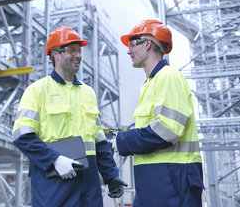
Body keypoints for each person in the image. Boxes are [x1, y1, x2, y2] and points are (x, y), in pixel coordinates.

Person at [12, 26, 127, 207]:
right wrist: (54, 160)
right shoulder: (37, 90)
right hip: (54, 181)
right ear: (55, 54)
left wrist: (111, 175)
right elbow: (22, 136)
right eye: (72, 50)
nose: (78, 55)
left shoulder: (88, 93)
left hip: (89, 183)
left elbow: (99, 140)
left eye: (79, 51)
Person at [115, 19, 204, 206]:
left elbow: (166, 130)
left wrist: (123, 141)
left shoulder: (168, 77)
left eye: (131, 44)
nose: (128, 51)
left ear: (147, 43)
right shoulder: (150, 84)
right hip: (154, 180)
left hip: (172, 178)